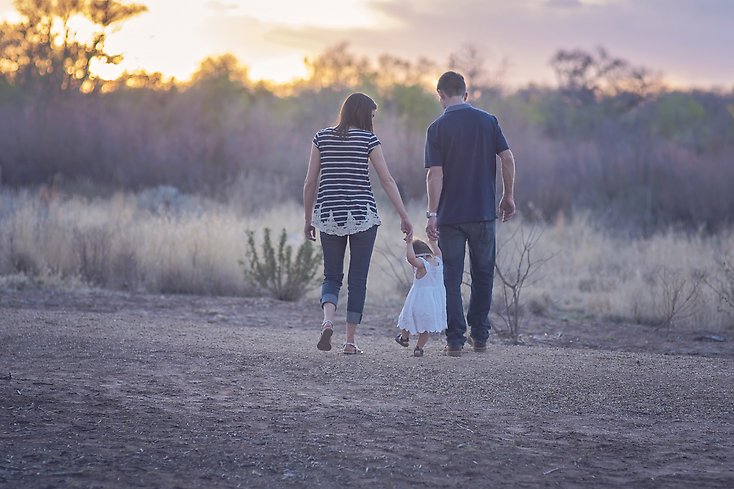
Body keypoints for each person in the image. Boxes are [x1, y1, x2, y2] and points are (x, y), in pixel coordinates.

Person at [304, 92, 413, 355]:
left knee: (331, 275)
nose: (373, 120)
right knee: (357, 279)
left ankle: (328, 320)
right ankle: (350, 342)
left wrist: (308, 219)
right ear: (363, 114)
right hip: (362, 215)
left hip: (329, 215)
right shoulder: (368, 140)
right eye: (372, 115)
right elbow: (387, 180)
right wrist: (404, 215)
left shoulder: (321, 137)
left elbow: (310, 182)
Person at [424, 71, 516, 357]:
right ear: (466, 93)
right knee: (483, 275)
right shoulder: (488, 121)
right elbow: (508, 158)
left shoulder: (437, 128)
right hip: (483, 214)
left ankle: (454, 341)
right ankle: (480, 336)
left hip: (451, 217)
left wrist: (432, 213)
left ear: (440, 95)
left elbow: (434, 175)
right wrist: (508, 196)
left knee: (451, 277)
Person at [395, 237, 447, 357]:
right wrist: (433, 242)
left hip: (418, 301)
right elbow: (438, 252)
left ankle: (404, 338)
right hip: (434, 303)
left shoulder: (422, 265)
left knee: (406, 319)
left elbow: (411, 258)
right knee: (425, 328)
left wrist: (408, 244)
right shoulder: (438, 261)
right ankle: (419, 348)